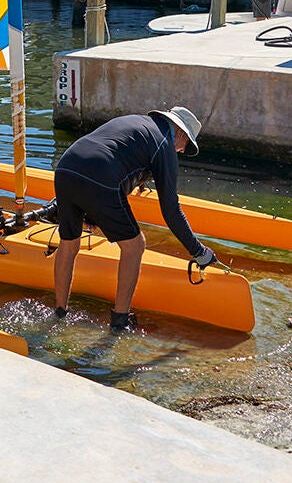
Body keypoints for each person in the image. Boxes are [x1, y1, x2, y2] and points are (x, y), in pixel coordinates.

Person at [52, 107, 217, 331]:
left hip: (66, 167)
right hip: (100, 175)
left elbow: (117, 156)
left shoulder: (138, 122)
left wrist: (91, 210)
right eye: (185, 145)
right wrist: (198, 251)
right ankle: (120, 320)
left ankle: (60, 312)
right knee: (135, 245)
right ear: (180, 133)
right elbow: (171, 210)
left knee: (69, 243)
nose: (181, 150)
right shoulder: (164, 144)